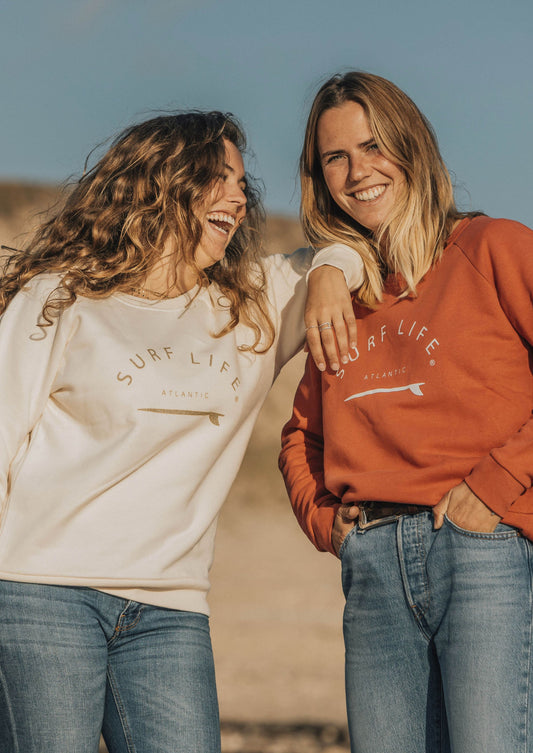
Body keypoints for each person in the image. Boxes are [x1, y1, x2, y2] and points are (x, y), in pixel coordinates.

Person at [0, 110, 364, 753]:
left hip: (170, 611)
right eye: (217, 178)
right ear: (161, 183)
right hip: (41, 595)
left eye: (241, 185)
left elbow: (357, 245)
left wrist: (330, 272)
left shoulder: (250, 304)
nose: (237, 197)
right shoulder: (59, 298)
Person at [279, 71, 533, 753]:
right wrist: (330, 524)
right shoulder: (340, 295)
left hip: (484, 553)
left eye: (373, 146)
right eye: (336, 156)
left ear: (411, 147)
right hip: (373, 569)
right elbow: (300, 434)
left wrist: (497, 486)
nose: (358, 170)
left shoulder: (494, 247)